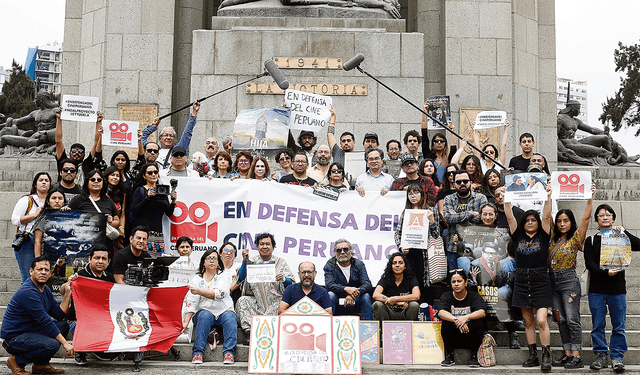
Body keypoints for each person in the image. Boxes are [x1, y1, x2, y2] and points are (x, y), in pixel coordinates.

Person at [584, 204, 640, 372]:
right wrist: (605, 272)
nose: (605, 217)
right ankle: (600, 355)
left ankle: (616, 357)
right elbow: (589, 263)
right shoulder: (591, 240)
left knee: (619, 324)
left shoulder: (620, 236)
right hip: (596, 289)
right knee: (597, 324)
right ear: (596, 220)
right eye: (601, 215)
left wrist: (624, 232)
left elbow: (638, 244)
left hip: (617, 289)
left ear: (613, 218)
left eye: (608, 214)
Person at [504, 185, 553, 371]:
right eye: (527, 220)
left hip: (540, 279)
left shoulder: (544, 234)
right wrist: (507, 197)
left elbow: (547, 216)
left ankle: (546, 354)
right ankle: (533, 355)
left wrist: (548, 197)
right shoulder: (517, 236)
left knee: (541, 320)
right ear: (523, 222)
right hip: (522, 280)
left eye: (534, 220)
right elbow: (509, 216)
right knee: (528, 322)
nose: (531, 222)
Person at [546, 185, 595, 369]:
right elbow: (546, 216)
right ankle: (568, 354)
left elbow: (586, 218)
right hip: (552, 281)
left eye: (566, 220)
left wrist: (590, 197)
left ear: (570, 222)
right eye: (559, 221)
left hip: (568, 281)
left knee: (573, 319)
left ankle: (577, 356)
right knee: (561, 319)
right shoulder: (551, 236)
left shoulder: (575, 238)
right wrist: (549, 196)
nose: (562, 224)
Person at [1, 256, 74, 375]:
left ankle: (41, 365)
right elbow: (45, 321)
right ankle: (16, 361)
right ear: (31, 271)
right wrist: (65, 343)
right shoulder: (28, 291)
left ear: (50, 273)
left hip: (30, 332)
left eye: (46, 270)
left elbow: (59, 314)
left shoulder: (45, 290)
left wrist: (67, 293)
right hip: (14, 338)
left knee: (63, 326)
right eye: (39, 269)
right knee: (52, 344)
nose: (43, 273)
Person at [59, 245, 114, 366]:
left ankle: (100, 350)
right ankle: (80, 350)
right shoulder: (80, 276)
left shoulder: (110, 277)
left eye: (104, 259)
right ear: (90, 259)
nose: (100, 261)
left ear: (108, 261)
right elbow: (63, 290)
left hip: (101, 318)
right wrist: (69, 282)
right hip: (79, 320)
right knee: (81, 326)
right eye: (97, 258)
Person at [236, 233, 294, 344]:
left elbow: (291, 284)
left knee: (285, 306)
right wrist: (244, 262)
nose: (265, 246)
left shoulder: (281, 262)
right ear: (257, 247)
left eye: (268, 244)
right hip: (257, 302)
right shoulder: (251, 260)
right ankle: (250, 332)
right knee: (242, 301)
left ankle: (275, 332)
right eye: (261, 244)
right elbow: (241, 278)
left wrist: (284, 279)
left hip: (275, 301)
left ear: (273, 247)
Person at [183, 249, 238, 365]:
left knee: (230, 317)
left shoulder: (224, 276)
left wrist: (198, 291)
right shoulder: (197, 279)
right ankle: (198, 352)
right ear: (203, 262)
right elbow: (191, 302)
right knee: (204, 315)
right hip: (205, 314)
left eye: (214, 258)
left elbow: (220, 293)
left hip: (224, 312)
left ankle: (229, 352)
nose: (211, 261)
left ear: (219, 262)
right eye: (208, 258)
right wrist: (185, 322)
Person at [395, 184, 441, 303]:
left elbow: (436, 235)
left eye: (416, 192)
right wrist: (401, 247)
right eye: (410, 193)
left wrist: (432, 221)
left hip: (425, 253)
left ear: (422, 194)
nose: (413, 196)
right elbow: (398, 234)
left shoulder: (430, 210)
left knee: (424, 284)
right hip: (409, 253)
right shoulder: (405, 212)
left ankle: (428, 311)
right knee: (411, 282)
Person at [438, 269, 486, 367]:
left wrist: (466, 317)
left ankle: (473, 356)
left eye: (459, 281)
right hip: (454, 337)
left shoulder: (474, 296)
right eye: (453, 282)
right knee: (446, 322)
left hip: (470, 336)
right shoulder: (446, 296)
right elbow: (441, 313)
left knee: (478, 322)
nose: (456, 284)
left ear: (466, 282)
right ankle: (450, 356)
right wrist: (458, 321)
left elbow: (482, 312)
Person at [68, 170, 121, 256]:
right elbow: (68, 220)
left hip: (104, 245)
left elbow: (117, 222)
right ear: (87, 183)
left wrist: (110, 222)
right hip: (83, 243)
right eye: (93, 180)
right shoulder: (78, 199)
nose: (96, 182)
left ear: (103, 183)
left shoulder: (109, 201)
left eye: (99, 180)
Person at [443, 170, 488, 271]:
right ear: (454, 184)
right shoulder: (448, 199)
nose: (462, 184)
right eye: (458, 182)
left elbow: (482, 219)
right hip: (453, 248)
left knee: (476, 279)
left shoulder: (481, 198)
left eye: (465, 181)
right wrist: (470, 214)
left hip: (475, 247)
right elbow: (448, 218)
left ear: (470, 182)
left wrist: (457, 218)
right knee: (455, 280)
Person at [11, 172, 51, 282]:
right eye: (41, 180)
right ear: (35, 184)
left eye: (46, 181)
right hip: (28, 240)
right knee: (29, 277)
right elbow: (15, 220)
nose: (44, 182)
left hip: (48, 242)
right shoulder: (27, 200)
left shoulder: (53, 201)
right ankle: (22, 299)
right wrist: (34, 214)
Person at [130, 163, 177, 255]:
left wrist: (173, 201)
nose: (153, 175)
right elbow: (135, 211)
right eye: (150, 173)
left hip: (157, 234)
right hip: (142, 234)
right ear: (144, 176)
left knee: (155, 263)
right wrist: (147, 198)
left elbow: (169, 213)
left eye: (155, 172)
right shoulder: (140, 190)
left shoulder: (162, 190)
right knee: (141, 260)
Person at [323, 239, 373, 319]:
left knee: (366, 296)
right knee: (330, 295)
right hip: (338, 300)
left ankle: (370, 328)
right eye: (339, 250)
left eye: (345, 249)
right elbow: (329, 285)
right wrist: (346, 289)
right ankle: (328, 327)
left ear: (351, 253)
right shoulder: (330, 265)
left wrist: (353, 294)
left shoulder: (359, 264)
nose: (342, 252)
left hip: (356, 300)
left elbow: (367, 285)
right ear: (335, 255)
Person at [141, 101, 201, 168]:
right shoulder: (153, 150)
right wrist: (154, 126)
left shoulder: (178, 149)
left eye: (171, 136)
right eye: (165, 135)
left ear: (174, 139)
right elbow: (141, 138)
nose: (168, 137)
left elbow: (187, 134)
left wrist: (194, 114)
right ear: (160, 138)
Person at [55, 107, 102, 185]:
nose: (77, 152)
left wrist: (98, 122)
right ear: (69, 153)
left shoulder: (87, 164)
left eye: (80, 151)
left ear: (84, 154)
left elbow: (97, 142)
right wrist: (59, 119)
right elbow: (58, 141)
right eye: (74, 150)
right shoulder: (63, 162)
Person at [371, 252, 420, 321]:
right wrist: (396, 302)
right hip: (389, 311)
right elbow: (375, 295)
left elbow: (416, 295)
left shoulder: (411, 279)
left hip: (405, 311)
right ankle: (382, 330)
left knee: (414, 305)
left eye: (400, 263)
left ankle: (410, 330)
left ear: (405, 266)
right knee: (377, 304)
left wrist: (396, 298)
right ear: (391, 266)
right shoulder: (385, 278)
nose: (397, 265)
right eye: (394, 263)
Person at [33, 188, 67, 258]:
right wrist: (38, 260)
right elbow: (37, 241)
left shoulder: (69, 216)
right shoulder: (43, 217)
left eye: (60, 198)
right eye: (54, 198)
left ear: (64, 202)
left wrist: (70, 214)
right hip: (46, 254)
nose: (57, 201)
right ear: (48, 201)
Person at [104, 166, 127, 245]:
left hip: (117, 230)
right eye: (112, 175)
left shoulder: (121, 193)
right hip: (105, 229)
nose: (115, 178)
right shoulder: (101, 193)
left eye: (117, 176)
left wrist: (122, 228)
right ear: (107, 176)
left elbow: (123, 214)